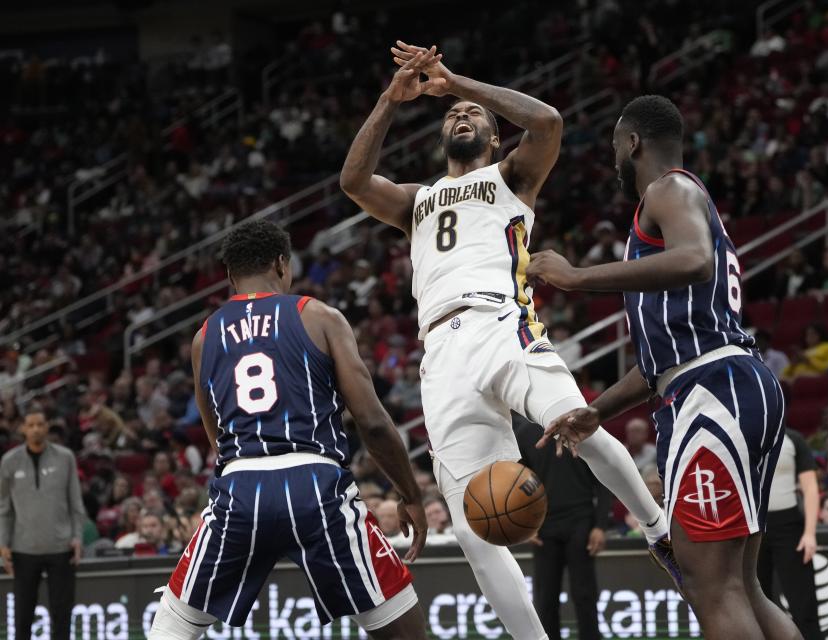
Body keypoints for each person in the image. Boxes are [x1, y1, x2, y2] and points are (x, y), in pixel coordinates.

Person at [339, 45, 674, 639]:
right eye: (451, 115)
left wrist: (453, 83)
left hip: (502, 325)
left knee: (579, 421)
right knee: (473, 528)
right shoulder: (415, 201)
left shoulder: (511, 176)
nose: (459, 117)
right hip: (440, 353)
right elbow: (354, 180)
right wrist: (392, 99)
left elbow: (547, 122)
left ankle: (656, 529)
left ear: (494, 137)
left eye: (472, 114)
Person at [526, 95, 800, 639]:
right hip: (722, 381)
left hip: (713, 393)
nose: (611, 162)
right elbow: (662, 360)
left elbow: (695, 259)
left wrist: (577, 277)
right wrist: (595, 411)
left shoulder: (669, 188)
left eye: (613, 149)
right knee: (741, 585)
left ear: (632, 143)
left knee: (709, 583)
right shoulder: (676, 202)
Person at [147, 220, 429, 639]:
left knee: (173, 623)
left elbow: (217, 438)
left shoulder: (204, 338)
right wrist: (410, 494)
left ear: (229, 275)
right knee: (401, 627)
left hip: (241, 485)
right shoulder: (318, 316)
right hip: (315, 482)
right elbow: (372, 422)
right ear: (283, 264)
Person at [515, 416, 612, 640]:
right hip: (543, 525)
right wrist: (527, 525)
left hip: (581, 521)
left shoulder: (579, 427)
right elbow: (516, 483)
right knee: (545, 598)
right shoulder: (523, 434)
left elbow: (603, 479)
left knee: (585, 595)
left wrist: (600, 526)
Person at [0, 409, 86, 640]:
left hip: (61, 547)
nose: (36, 429)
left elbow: (75, 503)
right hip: (23, 548)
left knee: (62, 616)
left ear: (47, 426)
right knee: (22, 617)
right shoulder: (9, 462)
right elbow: (4, 509)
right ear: (23, 429)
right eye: (31, 425)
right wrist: (3, 544)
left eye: (40, 424)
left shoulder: (65, 457)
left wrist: (77, 537)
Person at [758, 429, 822, 639]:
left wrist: (810, 533)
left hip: (789, 526)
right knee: (757, 601)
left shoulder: (793, 439)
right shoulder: (742, 434)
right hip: (753, 526)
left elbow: (810, 488)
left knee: (803, 602)